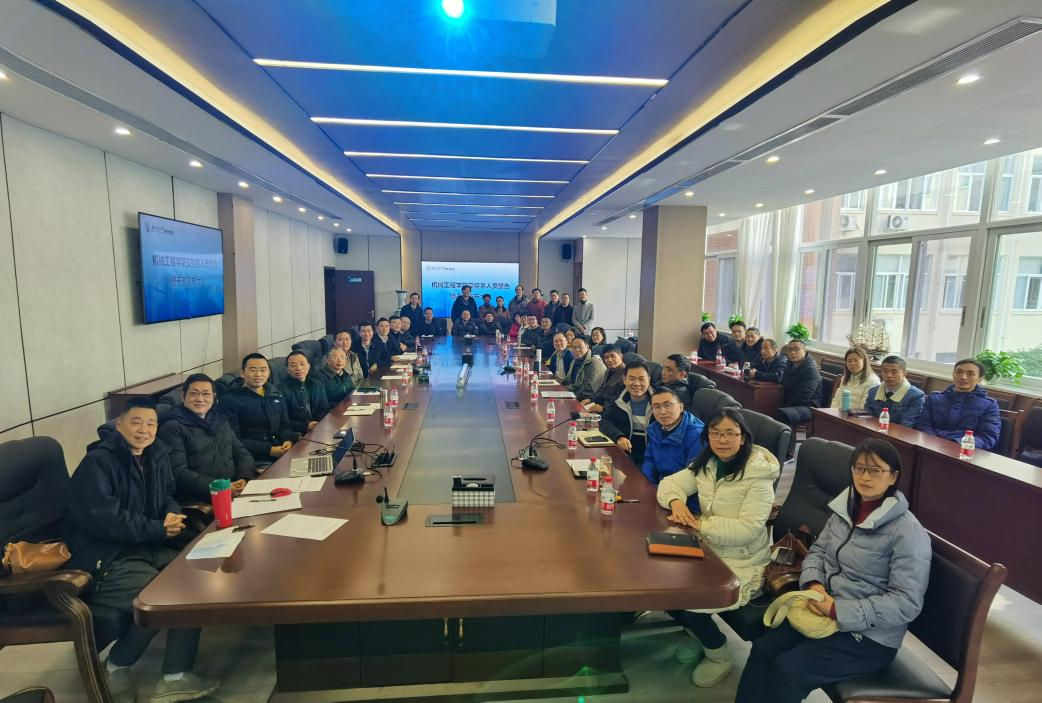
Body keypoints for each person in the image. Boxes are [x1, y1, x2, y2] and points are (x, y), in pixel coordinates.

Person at [736, 438, 930, 703]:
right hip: (822, 610)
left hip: (869, 636)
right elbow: (817, 552)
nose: (865, 477)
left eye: (876, 470)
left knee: (789, 671)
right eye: (859, 468)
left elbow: (906, 602)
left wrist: (837, 610)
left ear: (893, 477)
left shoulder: (907, 532)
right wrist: (813, 585)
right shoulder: (845, 510)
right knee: (763, 649)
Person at [65, 397, 219, 702]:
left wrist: (171, 515)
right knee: (161, 598)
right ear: (119, 424)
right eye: (136, 422)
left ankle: (174, 676)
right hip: (106, 557)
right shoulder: (98, 463)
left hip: (146, 547)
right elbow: (103, 520)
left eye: (151, 424)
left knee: (195, 581)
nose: (144, 430)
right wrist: (157, 529)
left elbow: (168, 495)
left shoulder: (156, 455)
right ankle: (118, 665)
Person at [658, 407, 780, 688]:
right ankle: (698, 636)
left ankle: (718, 654)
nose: (722, 440)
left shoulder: (759, 478)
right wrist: (676, 502)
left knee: (690, 605)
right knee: (662, 586)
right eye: (715, 433)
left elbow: (747, 530)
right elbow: (669, 484)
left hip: (743, 561)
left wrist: (700, 524)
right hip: (708, 550)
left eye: (730, 434)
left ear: (743, 437)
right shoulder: (708, 463)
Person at [158, 374, 257, 503]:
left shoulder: (219, 419)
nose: (200, 399)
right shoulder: (172, 427)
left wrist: (244, 477)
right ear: (183, 396)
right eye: (194, 394)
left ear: (214, 397)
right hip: (202, 497)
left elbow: (241, 452)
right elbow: (178, 472)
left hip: (235, 489)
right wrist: (221, 487)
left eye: (206, 394)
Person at [219, 353, 299, 463]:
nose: (258, 374)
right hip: (254, 458)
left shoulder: (275, 393)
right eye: (253, 370)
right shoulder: (229, 400)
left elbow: (284, 424)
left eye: (263, 370)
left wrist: (287, 440)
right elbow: (233, 439)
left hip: (281, 450)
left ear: (268, 373)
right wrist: (270, 450)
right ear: (242, 373)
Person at [916, 358, 1001, 450]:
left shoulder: (989, 405)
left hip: (962, 451)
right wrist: (934, 441)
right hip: (931, 446)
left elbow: (988, 437)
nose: (963, 377)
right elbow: (922, 424)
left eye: (970, 374)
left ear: (979, 379)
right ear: (953, 375)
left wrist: (955, 444)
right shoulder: (935, 398)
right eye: (959, 372)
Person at [642, 388, 705, 508]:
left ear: (681, 407)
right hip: (661, 490)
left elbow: (693, 478)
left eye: (668, 405)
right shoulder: (655, 428)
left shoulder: (697, 435)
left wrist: (667, 496)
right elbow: (649, 460)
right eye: (657, 407)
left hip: (684, 500)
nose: (662, 412)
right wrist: (647, 486)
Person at [601, 359, 654, 464]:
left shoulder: (660, 401)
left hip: (653, 457)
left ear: (649, 380)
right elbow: (605, 421)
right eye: (632, 379)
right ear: (624, 379)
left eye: (641, 379)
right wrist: (619, 437)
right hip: (625, 454)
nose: (636, 383)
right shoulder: (619, 398)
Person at [864, 355, 925, 427]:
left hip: (898, 433)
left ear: (904, 374)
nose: (889, 375)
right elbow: (865, 417)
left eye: (894, 372)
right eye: (885, 371)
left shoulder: (916, 396)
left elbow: (906, 425)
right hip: (872, 430)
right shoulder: (873, 391)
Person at [277, 351, 331, 432]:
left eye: (302, 364)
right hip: (298, 432)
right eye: (293, 365)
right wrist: (306, 426)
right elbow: (282, 420)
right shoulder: (280, 390)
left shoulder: (317, 384)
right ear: (288, 370)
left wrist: (318, 424)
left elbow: (324, 408)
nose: (299, 368)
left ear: (308, 366)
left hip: (319, 427)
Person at [775, 340, 823, 427]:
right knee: (767, 405)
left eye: (796, 349)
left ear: (804, 351)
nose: (793, 352)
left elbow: (804, 397)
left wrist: (784, 405)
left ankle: (785, 436)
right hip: (793, 403)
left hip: (809, 407)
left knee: (782, 413)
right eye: (790, 350)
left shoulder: (811, 369)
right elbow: (783, 385)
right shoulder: (788, 364)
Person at [581, 345, 625, 410]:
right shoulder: (608, 370)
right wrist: (591, 399)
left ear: (621, 356)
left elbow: (621, 401)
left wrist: (603, 408)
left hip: (611, 410)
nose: (609, 360)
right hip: (602, 405)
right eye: (606, 357)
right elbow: (601, 390)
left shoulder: (625, 374)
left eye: (612, 356)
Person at [565, 336, 607, 401]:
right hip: (573, 395)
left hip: (588, 400)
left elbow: (591, 389)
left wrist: (573, 398)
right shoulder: (574, 361)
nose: (577, 350)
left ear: (587, 347)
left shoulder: (595, 362)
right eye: (574, 347)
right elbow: (570, 382)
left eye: (580, 347)